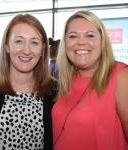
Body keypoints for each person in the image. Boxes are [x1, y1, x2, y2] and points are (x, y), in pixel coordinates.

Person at [0, 14, 57, 150]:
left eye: (34, 42)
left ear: (42, 49)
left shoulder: (55, 91)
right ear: (7, 46)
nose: (26, 50)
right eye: (19, 41)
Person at [52, 10, 128, 150]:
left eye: (90, 35)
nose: (81, 42)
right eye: (73, 36)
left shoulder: (121, 77)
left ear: (102, 40)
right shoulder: (65, 81)